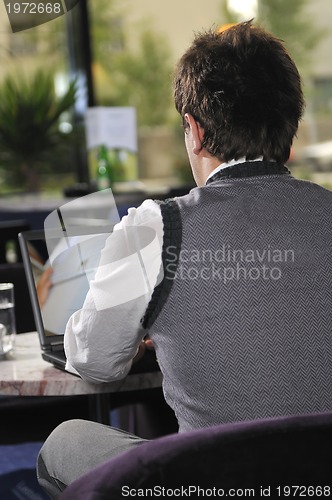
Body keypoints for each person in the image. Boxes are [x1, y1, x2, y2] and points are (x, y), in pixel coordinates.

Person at [37, 20, 332, 498]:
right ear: (289, 126)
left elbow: (94, 361)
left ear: (193, 131)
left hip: (212, 486)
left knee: (64, 441)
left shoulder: (155, 228)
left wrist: (137, 329)